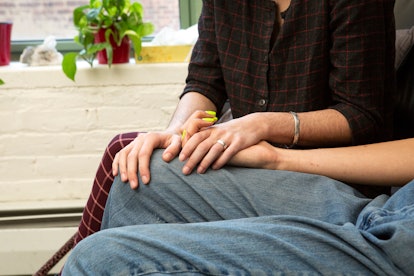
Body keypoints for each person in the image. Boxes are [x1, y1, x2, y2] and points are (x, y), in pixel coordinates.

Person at [74, 0, 396, 246]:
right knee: (134, 152)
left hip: (329, 178)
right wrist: (173, 133)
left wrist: (263, 124)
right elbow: (204, 80)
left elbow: (361, 114)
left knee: (147, 174)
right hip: (253, 162)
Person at [62, 137, 414, 275]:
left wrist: (274, 128)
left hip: (396, 245)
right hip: (395, 206)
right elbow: (203, 79)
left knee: (99, 259)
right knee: (142, 175)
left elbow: (361, 114)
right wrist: (272, 158)